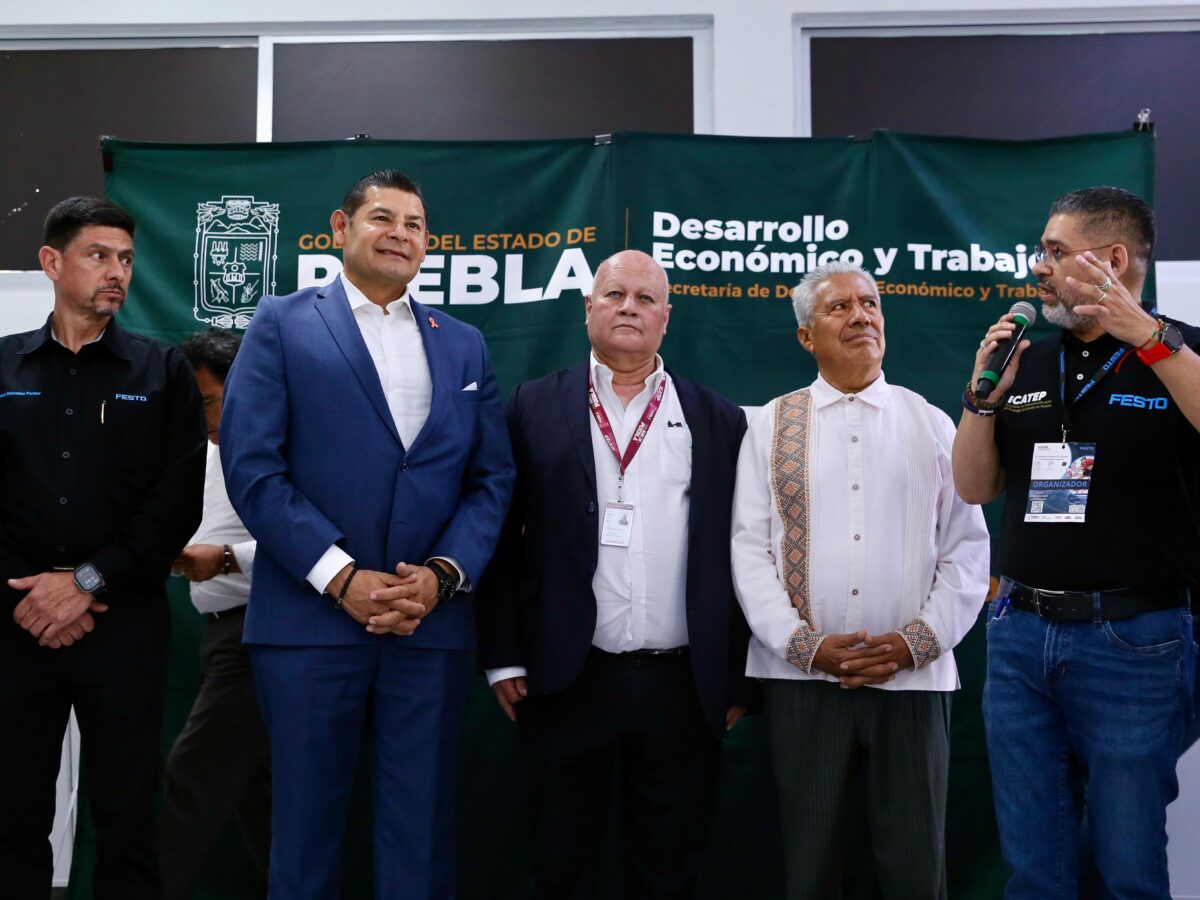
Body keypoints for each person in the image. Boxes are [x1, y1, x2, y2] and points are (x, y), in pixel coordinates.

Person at [220, 170, 514, 900]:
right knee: (304, 834)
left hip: (427, 626)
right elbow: (253, 469)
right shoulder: (281, 322)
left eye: (415, 224)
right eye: (383, 217)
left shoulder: (465, 344)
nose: (400, 234)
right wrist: (341, 577)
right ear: (340, 228)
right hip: (308, 625)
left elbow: (491, 481)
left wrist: (441, 576)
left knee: (420, 834)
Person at [477, 249, 755, 900]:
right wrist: (501, 656)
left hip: (682, 684)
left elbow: (743, 552)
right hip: (564, 677)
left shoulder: (718, 418)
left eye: (645, 298)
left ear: (666, 317)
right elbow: (499, 536)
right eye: (614, 295)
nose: (629, 308)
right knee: (557, 864)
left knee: (669, 870)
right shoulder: (532, 405)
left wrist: (736, 674)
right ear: (588, 308)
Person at [953, 186, 1200, 899]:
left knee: (1127, 869)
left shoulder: (1181, 348)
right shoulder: (1029, 359)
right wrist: (980, 401)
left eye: (1055, 251)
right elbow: (974, 486)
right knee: (1035, 868)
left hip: (1134, 639)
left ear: (1113, 260)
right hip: (1020, 634)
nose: (1040, 266)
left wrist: (1149, 338)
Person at [731, 261, 989, 900]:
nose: (861, 317)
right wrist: (804, 647)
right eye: (839, 307)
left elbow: (967, 550)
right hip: (802, 682)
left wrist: (914, 644)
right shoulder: (770, 425)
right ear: (805, 336)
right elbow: (748, 551)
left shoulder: (930, 422)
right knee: (810, 868)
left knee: (914, 870)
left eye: (870, 304)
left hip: (914, 681)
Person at [0, 196, 206, 899]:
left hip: (123, 623)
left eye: (125, 259)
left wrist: (84, 582)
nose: (117, 272)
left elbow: (173, 504)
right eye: (98, 255)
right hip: (15, 620)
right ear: (52, 263)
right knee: (11, 809)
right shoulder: (4, 366)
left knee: (127, 811)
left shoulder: (162, 372)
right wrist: (28, 592)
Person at [159, 329, 270, 899]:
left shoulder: (288, 447)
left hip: (259, 636)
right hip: (223, 636)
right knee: (260, 800)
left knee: (193, 782)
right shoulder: (203, 450)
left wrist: (225, 558)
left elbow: (318, 547)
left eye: (207, 401)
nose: (202, 417)